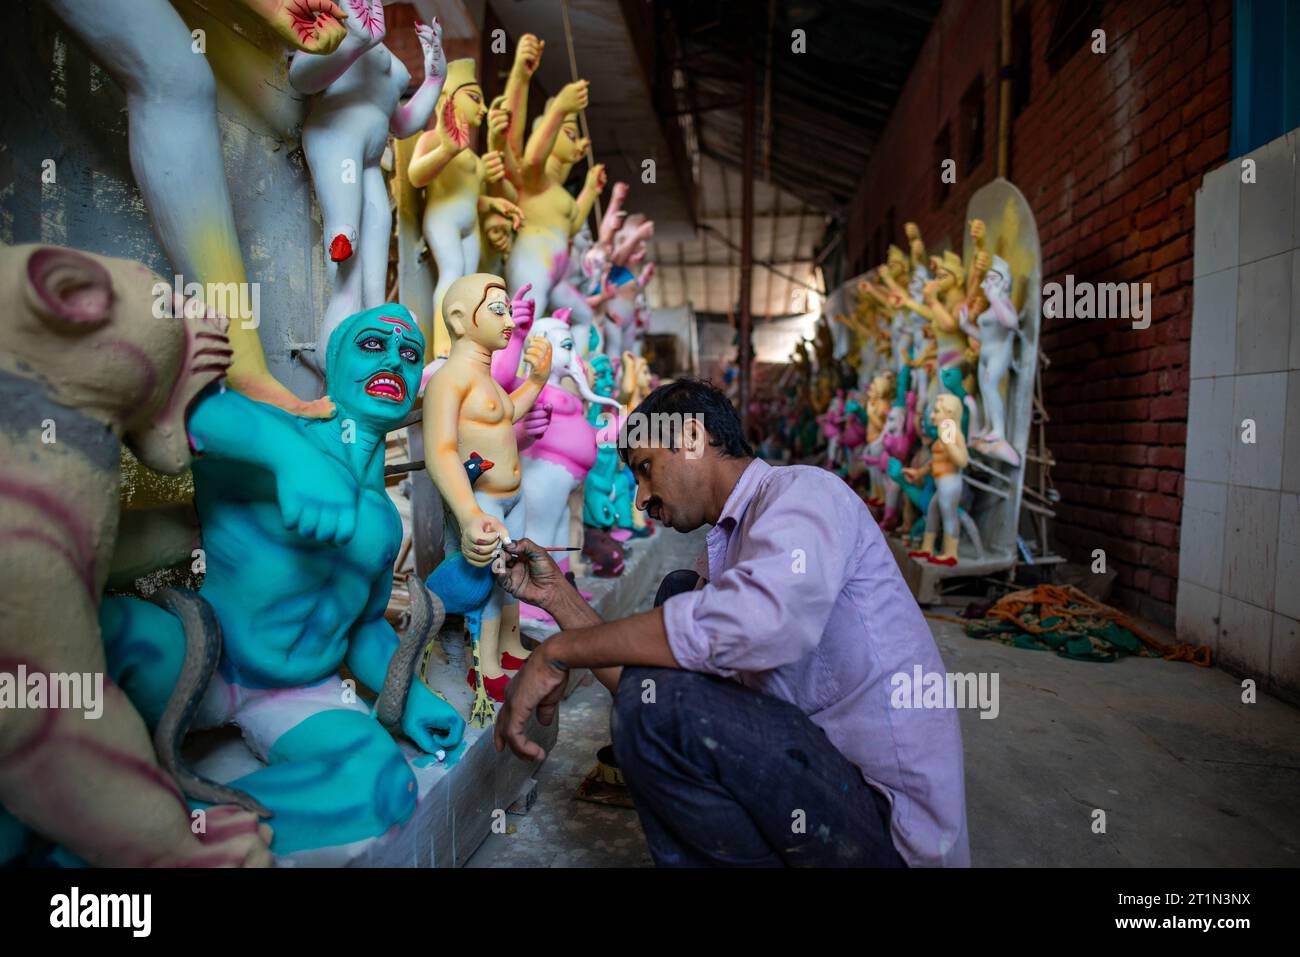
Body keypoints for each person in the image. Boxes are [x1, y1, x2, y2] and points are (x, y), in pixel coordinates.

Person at [492, 378, 969, 867]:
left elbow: (759, 623)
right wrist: (557, 596)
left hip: (886, 829)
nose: (640, 499)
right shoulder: (724, 547)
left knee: (662, 690)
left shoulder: (806, 493)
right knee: (673, 621)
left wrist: (559, 652)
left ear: (693, 438)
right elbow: (652, 686)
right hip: (826, 789)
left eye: (646, 469)